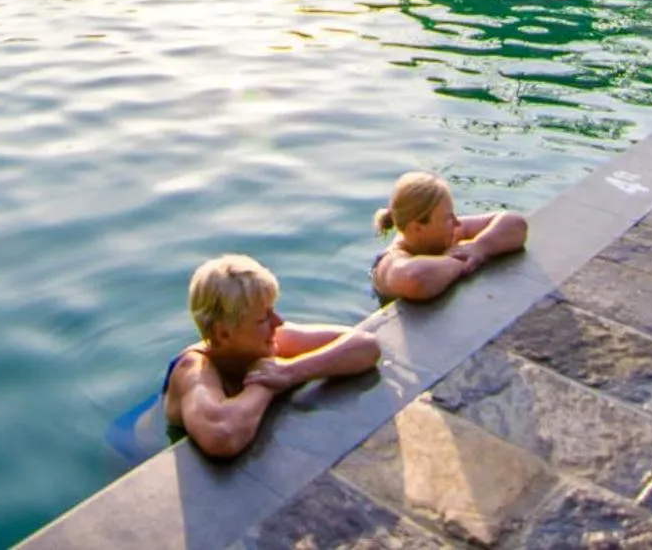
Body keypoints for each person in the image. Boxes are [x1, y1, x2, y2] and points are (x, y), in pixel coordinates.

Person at [161, 255, 381, 459]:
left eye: (273, 310)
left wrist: (290, 372)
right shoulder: (193, 369)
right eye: (263, 318)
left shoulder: (271, 341)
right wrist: (265, 383)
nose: (279, 322)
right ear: (223, 333)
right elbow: (222, 436)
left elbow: (366, 345)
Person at [371, 172, 529, 303]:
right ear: (417, 227)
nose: (456, 222)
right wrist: (458, 260)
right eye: (447, 218)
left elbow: (515, 223)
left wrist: (479, 247)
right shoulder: (390, 263)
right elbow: (416, 280)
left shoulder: (449, 232)